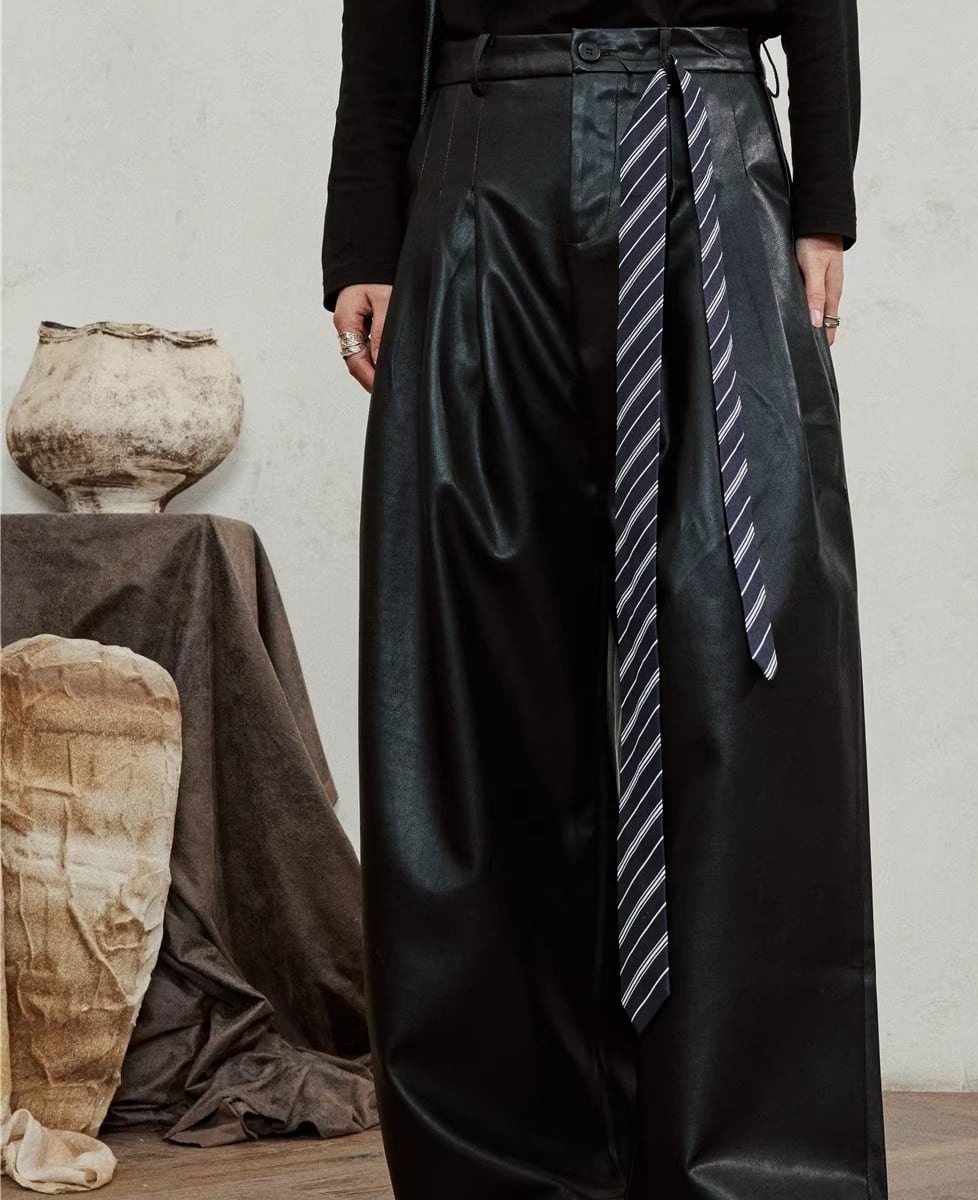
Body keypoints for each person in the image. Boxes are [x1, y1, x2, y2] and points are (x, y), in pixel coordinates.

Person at [321, 3, 887, 1197]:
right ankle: (504, 1162)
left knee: (743, 680)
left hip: (707, 141)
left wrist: (823, 198)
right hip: (485, 155)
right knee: (482, 682)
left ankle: (757, 1167)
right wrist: (363, 228)